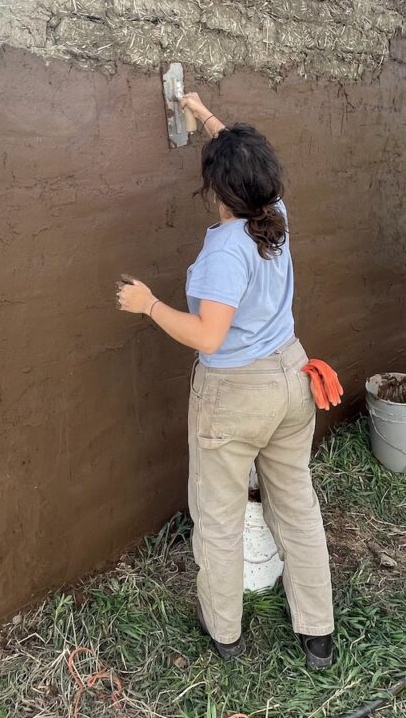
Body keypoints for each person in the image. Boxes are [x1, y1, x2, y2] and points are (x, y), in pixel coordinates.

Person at [116, 93, 334, 669]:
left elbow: (209, 336)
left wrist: (149, 305)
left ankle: (227, 634)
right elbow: (249, 169)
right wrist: (204, 114)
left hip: (235, 394)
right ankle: (318, 631)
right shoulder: (275, 215)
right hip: (292, 378)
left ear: (216, 190)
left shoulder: (225, 250)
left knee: (218, 516)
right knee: (296, 504)